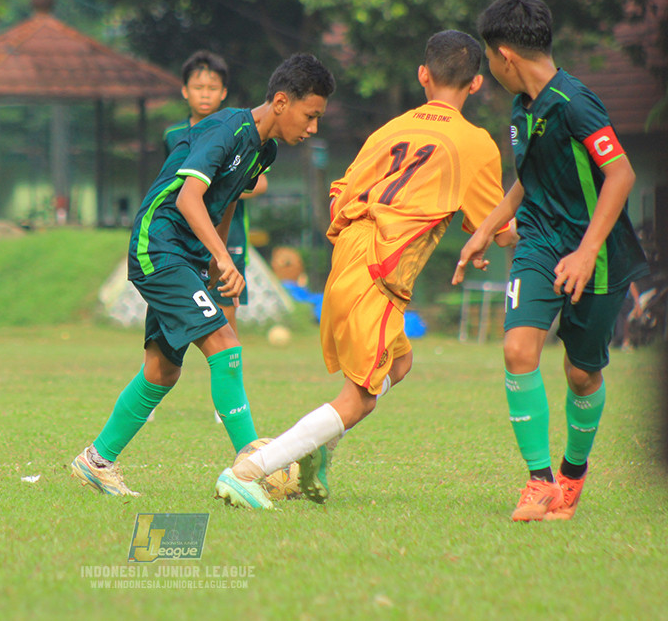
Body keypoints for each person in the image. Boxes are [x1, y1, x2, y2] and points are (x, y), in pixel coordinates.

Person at [215, 30, 515, 509]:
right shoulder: (476, 144)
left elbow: (341, 195)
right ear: (477, 84)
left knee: (401, 362)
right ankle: (250, 470)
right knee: (361, 398)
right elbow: (502, 230)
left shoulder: (390, 131)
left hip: (350, 259)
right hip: (382, 271)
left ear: (423, 76)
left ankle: (318, 451)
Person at [71, 54, 335, 497]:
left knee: (161, 371)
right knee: (225, 341)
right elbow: (190, 198)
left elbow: (226, 198)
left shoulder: (264, 149)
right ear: (282, 101)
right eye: (310, 116)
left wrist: (217, 259)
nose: (312, 129)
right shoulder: (227, 129)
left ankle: (95, 461)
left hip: (187, 255)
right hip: (159, 244)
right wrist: (224, 258)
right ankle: (251, 463)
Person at [451, 0, 648, 521]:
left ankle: (572, 476)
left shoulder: (575, 103)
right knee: (519, 351)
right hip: (538, 242)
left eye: (489, 59)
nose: (490, 69)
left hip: (596, 252)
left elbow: (621, 173)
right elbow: (527, 180)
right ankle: (538, 483)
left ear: (504, 55)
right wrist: (486, 228)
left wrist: (586, 252)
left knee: (582, 374)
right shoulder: (522, 110)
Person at [163, 50, 269, 335]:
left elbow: (258, 183)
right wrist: (196, 195)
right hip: (182, 235)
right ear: (185, 91)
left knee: (225, 312)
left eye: (212, 88)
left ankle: (228, 371)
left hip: (229, 233)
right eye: (198, 88)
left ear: (224, 92)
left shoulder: (240, 133)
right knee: (173, 315)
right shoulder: (173, 136)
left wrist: (222, 192)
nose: (205, 95)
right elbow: (175, 187)